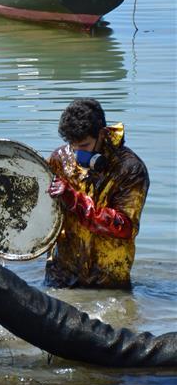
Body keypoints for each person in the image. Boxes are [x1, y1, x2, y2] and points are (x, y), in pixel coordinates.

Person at [45, 98, 149, 289]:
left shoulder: (129, 169)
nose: (76, 152)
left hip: (107, 278)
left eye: (83, 145)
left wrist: (75, 201)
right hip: (61, 273)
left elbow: (125, 228)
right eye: (71, 144)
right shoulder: (60, 159)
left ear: (101, 134)